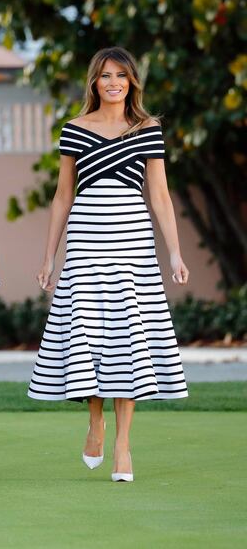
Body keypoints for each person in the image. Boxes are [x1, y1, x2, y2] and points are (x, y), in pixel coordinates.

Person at [27, 46, 190, 482]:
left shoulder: (148, 128)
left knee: (129, 336)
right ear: (94, 82)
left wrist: (174, 251)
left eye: (121, 74)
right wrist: (49, 256)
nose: (113, 82)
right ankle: (95, 421)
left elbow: (159, 194)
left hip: (132, 242)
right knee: (87, 333)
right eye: (105, 75)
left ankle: (123, 445)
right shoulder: (74, 130)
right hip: (86, 241)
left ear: (131, 81)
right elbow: (63, 196)